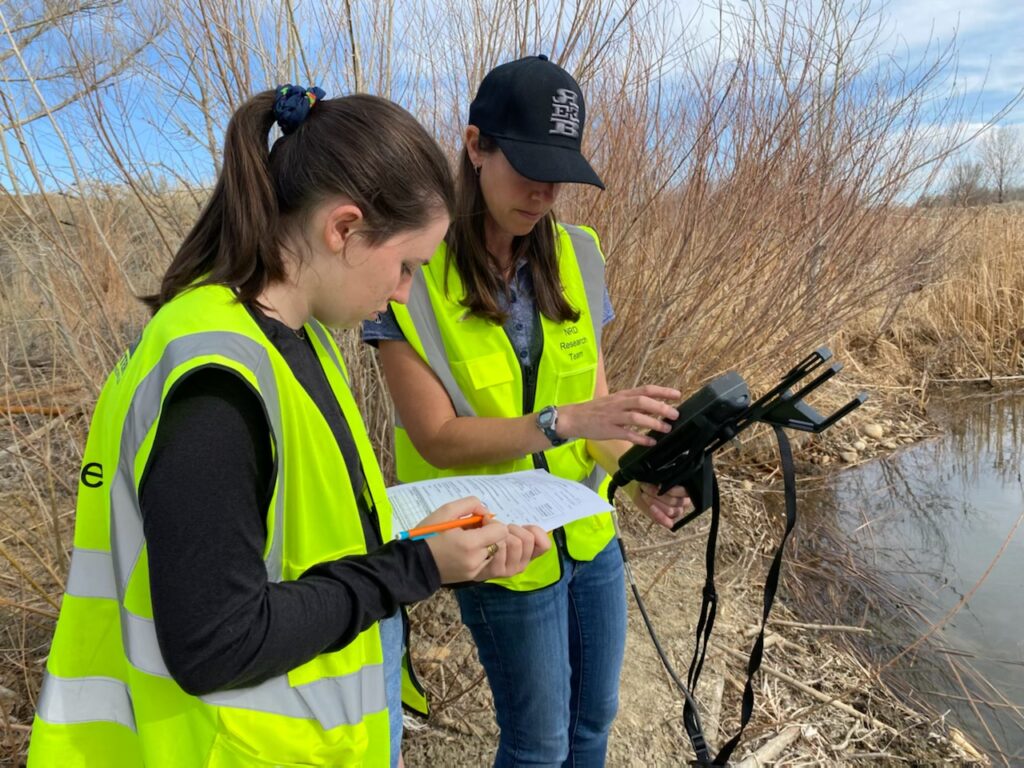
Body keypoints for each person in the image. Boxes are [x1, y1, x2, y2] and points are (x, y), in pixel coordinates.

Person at [27, 85, 550, 768]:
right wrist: (416, 567)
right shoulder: (217, 381)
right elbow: (216, 644)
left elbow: (303, 539)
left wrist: (429, 541)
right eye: (406, 266)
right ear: (343, 228)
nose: (403, 292)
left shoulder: (296, 343)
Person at [362, 57, 691, 767]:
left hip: (587, 529)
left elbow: (600, 418)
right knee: (538, 744)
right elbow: (437, 439)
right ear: (476, 145)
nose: (544, 192)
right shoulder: (407, 273)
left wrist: (641, 475)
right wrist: (558, 422)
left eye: (560, 174)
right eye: (528, 167)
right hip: (496, 546)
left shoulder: (580, 255)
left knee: (594, 720)